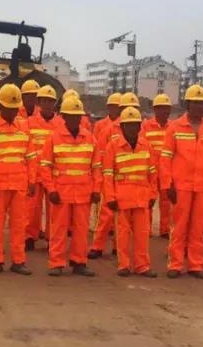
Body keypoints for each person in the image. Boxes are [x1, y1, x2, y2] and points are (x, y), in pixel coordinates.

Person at [159, 84, 203, 279]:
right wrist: (168, 184)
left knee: (198, 227)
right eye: (194, 103)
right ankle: (175, 264)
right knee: (179, 226)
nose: (198, 106)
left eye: (201, 103)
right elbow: (165, 158)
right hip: (181, 186)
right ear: (187, 104)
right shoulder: (174, 127)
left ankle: (195, 265)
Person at [38, 94, 99, 276]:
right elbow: (45, 166)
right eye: (71, 116)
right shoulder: (54, 138)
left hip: (83, 192)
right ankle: (56, 262)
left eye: (77, 116)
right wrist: (51, 189)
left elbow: (96, 167)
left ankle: (79, 262)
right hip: (61, 193)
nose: (75, 119)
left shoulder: (89, 138)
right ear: (64, 117)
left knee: (81, 229)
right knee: (59, 228)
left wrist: (96, 190)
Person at [0, 84, 34, 275]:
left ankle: (19, 261)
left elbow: (31, 157)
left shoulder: (24, 126)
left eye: (16, 109)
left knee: (19, 224)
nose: (13, 112)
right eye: (10, 109)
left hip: (19, 183)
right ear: (1, 106)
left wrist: (31, 181)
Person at [103, 106, 158, 278]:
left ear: (140, 126)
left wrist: (152, 195)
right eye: (129, 125)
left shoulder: (146, 146)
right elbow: (107, 174)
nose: (133, 128)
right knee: (123, 234)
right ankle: (124, 265)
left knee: (142, 234)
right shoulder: (113, 146)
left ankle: (142, 266)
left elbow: (152, 173)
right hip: (122, 198)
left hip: (142, 198)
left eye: (136, 124)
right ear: (122, 127)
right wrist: (110, 197)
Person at [87, 92, 127, 258]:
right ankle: (97, 246)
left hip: (127, 181)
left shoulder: (138, 130)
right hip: (111, 178)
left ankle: (119, 247)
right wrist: (103, 177)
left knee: (124, 218)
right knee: (106, 214)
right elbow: (101, 153)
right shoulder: (109, 129)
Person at [25, 85, 60, 250]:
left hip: (53, 173)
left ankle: (52, 238)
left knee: (54, 209)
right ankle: (29, 236)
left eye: (50, 101)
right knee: (32, 208)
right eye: (44, 101)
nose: (47, 104)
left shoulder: (60, 124)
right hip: (35, 171)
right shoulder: (29, 123)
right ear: (38, 103)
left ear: (54, 103)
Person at [142, 93, 173, 237]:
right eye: (162, 108)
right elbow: (142, 147)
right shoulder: (146, 126)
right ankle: (146, 229)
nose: (165, 111)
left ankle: (165, 229)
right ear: (155, 109)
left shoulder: (173, 127)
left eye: (167, 108)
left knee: (166, 202)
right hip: (151, 171)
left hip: (167, 171)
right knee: (148, 200)